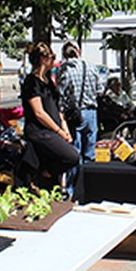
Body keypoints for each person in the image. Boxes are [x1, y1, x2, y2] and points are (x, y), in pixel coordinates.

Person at [22, 43, 80, 190]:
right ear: (43, 59)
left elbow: (57, 107)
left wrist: (64, 127)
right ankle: (45, 174)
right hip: (40, 131)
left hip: (53, 128)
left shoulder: (48, 82)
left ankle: (48, 181)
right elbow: (39, 112)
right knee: (72, 156)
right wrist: (58, 131)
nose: (54, 60)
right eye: (52, 57)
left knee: (66, 154)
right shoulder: (32, 83)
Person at [57, 41, 104, 189]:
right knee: (89, 152)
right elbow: (100, 90)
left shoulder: (65, 69)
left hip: (74, 114)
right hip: (91, 112)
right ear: (78, 52)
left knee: (74, 153)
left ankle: (72, 188)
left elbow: (60, 94)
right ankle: (88, 187)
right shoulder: (91, 66)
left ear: (65, 54)